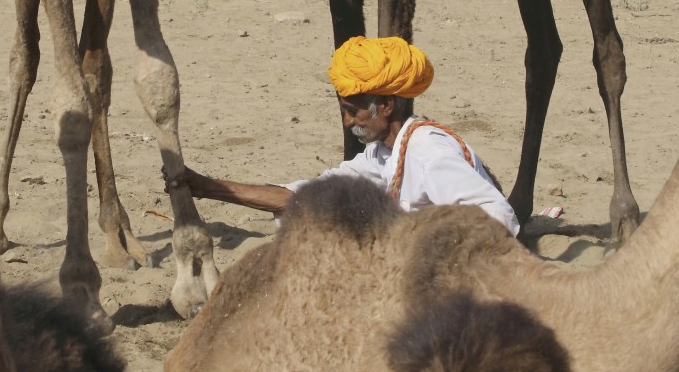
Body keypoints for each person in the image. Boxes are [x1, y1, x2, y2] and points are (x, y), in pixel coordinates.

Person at [168, 36, 520, 235]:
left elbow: (499, 217)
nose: (348, 122)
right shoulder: (382, 154)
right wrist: (208, 188)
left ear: (385, 104)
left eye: (353, 111)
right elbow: (307, 197)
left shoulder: (428, 150)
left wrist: (416, 236)